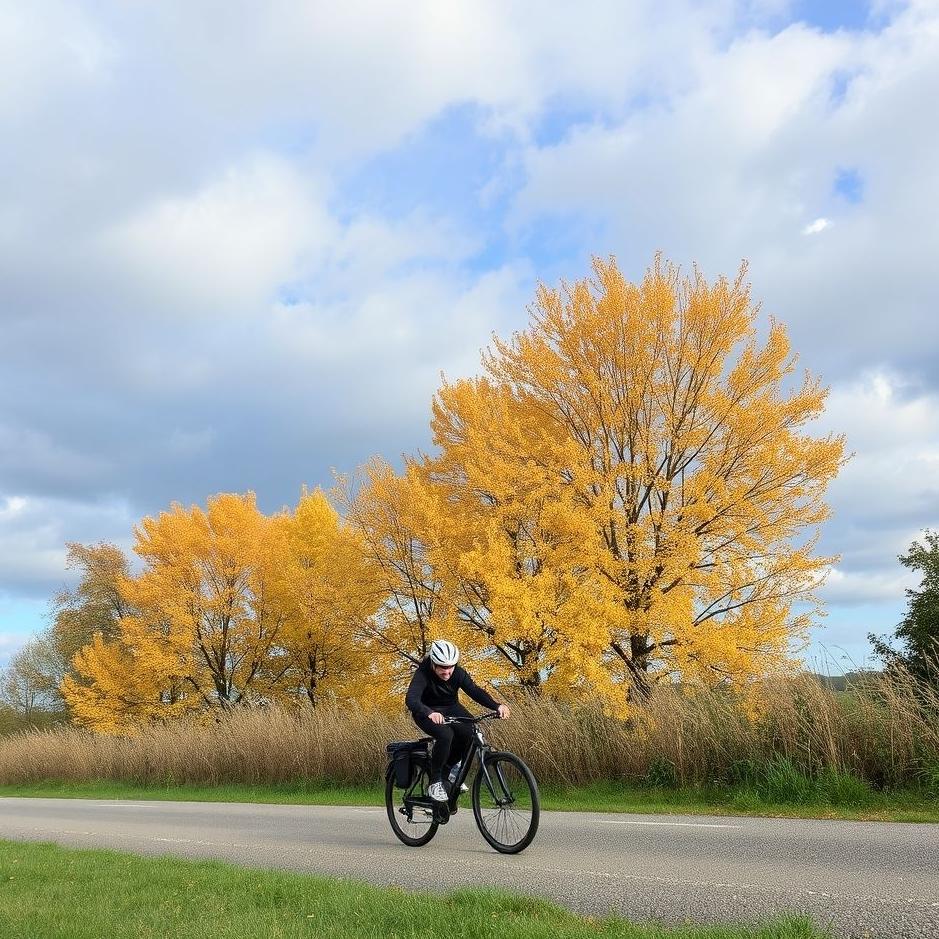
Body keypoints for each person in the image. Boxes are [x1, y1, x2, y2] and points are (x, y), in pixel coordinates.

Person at [405, 639, 510, 801]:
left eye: (450, 667)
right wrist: (429, 712)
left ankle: (448, 773)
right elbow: (411, 699)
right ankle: (435, 782)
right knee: (445, 735)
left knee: (470, 734)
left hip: (451, 707)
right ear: (433, 663)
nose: (447, 672)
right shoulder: (423, 673)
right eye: (442, 668)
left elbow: (475, 691)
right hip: (426, 711)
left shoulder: (459, 673)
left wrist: (496, 706)